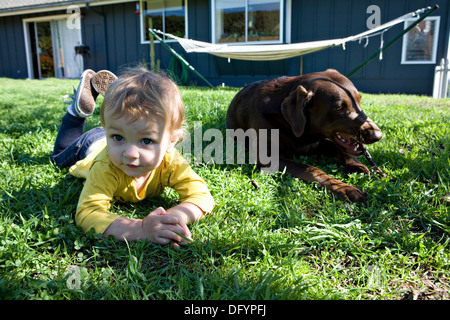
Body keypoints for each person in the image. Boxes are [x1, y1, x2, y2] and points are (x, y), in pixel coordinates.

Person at [52, 68, 214, 247]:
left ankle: (115, 107)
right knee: (58, 157)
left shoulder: (172, 162)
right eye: (118, 137)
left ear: (171, 142)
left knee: (124, 129)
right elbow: (88, 213)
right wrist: (141, 229)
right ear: (109, 131)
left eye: (146, 140)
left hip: (116, 129)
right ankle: (75, 114)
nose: (130, 153)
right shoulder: (106, 166)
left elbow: (202, 196)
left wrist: (171, 219)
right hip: (89, 146)